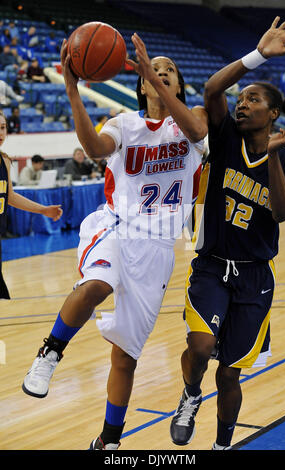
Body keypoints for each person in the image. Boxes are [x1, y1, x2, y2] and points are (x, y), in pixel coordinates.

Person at [22, 33, 208, 450]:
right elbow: (92, 149)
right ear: (141, 84)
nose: (161, 73)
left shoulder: (193, 120)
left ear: (177, 85)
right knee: (97, 285)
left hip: (159, 247)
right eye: (153, 70)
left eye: (169, 71)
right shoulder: (125, 124)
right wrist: (72, 91)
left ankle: (109, 441)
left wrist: (151, 73)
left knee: (126, 356)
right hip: (117, 226)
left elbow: (197, 129)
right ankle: (50, 353)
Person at [170, 16, 285, 451]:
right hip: (210, 265)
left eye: (253, 99)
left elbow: (281, 213)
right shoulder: (225, 135)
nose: (242, 104)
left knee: (230, 373)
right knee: (202, 347)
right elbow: (210, 90)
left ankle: (224, 444)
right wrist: (258, 56)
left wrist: (277, 156)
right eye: (241, 98)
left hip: (255, 275)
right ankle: (190, 394)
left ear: (274, 112)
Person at [0, 110, 63, 298]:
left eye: (3, 128)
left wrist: (42, 209)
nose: (1, 133)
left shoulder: (4, 161)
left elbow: (10, 196)